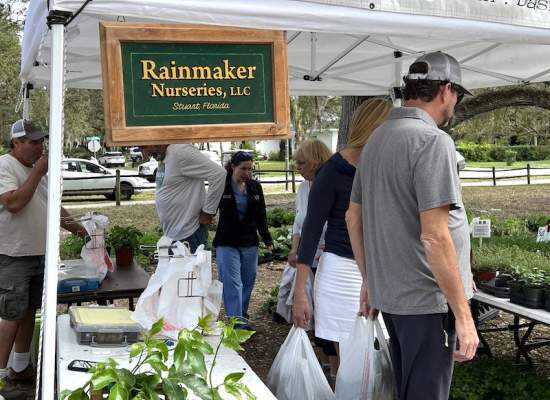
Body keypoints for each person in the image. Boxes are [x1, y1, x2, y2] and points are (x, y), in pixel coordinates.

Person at [347, 52, 479, 400]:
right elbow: (435, 237)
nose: (455, 104)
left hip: (393, 297)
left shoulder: (376, 139)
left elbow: (353, 218)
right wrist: (464, 317)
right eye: (458, 96)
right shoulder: (433, 141)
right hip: (426, 303)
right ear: (446, 90)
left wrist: (370, 280)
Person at [292, 99, 392, 367]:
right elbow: (311, 232)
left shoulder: (388, 165)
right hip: (341, 272)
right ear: (373, 128)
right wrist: (300, 291)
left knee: (379, 359)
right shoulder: (333, 171)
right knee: (346, 360)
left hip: (383, 271)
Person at [0, 119, 86, 398]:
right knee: (10, 314)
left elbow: (53, 207)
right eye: (33, 142)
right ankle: (0, 378)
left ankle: (20, 367)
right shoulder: (6, 166)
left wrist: (82, 230)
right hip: (13, 253)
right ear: (16, 143)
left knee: (28, 312)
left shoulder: (40, 173)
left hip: (39, 253)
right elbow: (13, 204)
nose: (40, 147)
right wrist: (37, 172)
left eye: (41, 141)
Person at [213, 151, 272, 329]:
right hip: (227, 241)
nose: (246, 173)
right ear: (232, 167)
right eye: (243, 169)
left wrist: (267, 239)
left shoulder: (255, 187)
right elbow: (208, 208)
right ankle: (236, 323)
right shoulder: (221, 185)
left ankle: (242, 316)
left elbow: (261, 215)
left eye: (249, 169)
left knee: (247, 281)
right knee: (233, 283)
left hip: (249, 242)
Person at [142, 144, 226, 252]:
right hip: (173, 234)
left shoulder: (181, 152)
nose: (143, 154)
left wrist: (208, 211)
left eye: (143, 147)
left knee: (192, 269)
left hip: (189, 233)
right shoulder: (166, 155)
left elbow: (218, 174)